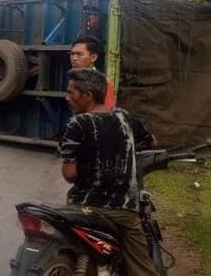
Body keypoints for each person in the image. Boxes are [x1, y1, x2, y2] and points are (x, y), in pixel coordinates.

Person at [59, 69, 158, 276]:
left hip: (81, 207)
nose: (67, 98)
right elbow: (152, 142)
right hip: (121, 210)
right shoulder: (125, 118)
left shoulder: (75, 124)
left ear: (88, 95)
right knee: (142, 268)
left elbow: (69, 175)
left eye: (71, 93)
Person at [70, 35, 116, 108]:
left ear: (93, 57)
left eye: (79, 54)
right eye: (72, 54)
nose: (74, 58)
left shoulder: (104, 83)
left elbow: (108, 112)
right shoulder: (72, 81)